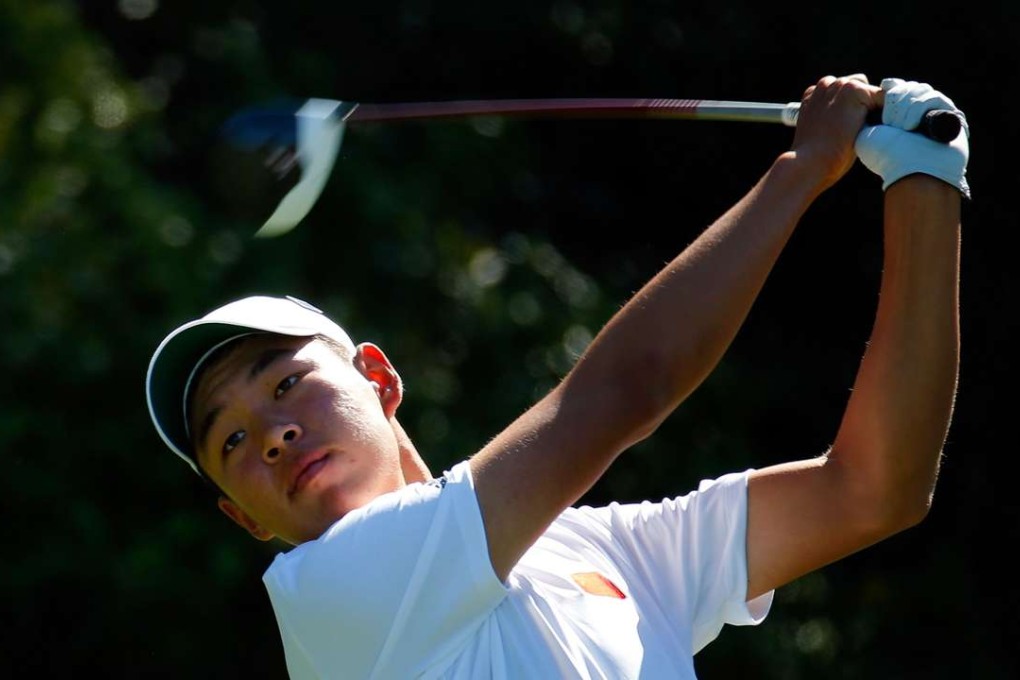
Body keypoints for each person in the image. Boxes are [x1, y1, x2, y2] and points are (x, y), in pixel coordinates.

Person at [145, 73, 968, 679]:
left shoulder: (593, 550)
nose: (274, 434)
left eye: (284, 384)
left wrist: (925, 182)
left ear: (379, 378)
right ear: (243, 518)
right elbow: (625, 390)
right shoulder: (328, 588)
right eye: (232, 442)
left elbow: (873, 490)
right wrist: (804, 168)